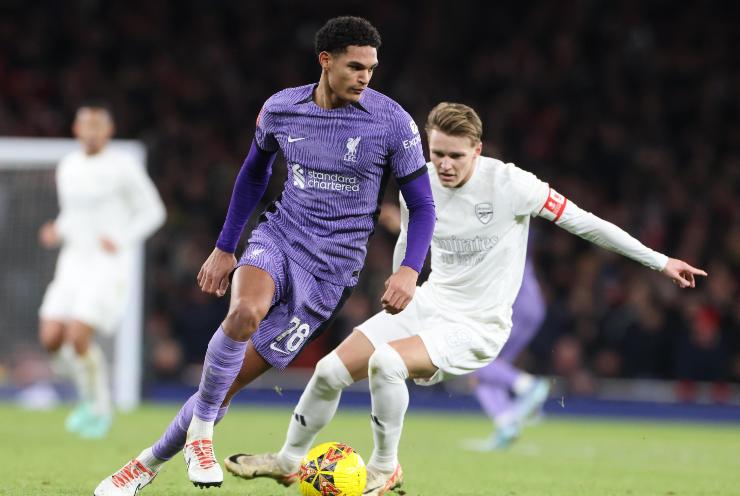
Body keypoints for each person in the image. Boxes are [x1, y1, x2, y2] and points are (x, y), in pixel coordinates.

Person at [224, 102, 707, 496]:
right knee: (329, 369)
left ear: (478, 149)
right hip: (430, 302)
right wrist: (399, 281)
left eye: (456, 155)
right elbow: (409, 239)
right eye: (437, 154)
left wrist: (659, 261)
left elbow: (586, 222)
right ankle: (288, 462)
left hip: (478, 324)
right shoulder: (423, 180)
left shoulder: (512, 184)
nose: (445, 165)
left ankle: (385, 468)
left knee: (386, 364)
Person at [93, 16, 435, 496]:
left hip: (330, 274)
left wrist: (408, 268)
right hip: (278, 237)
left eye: (372, 69)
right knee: (244, 312)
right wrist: (224, 247)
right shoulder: (280, 109)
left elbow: (421, 204)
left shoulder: (392, 122)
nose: (365, 77)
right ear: (326, 60)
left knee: (221, 389)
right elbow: (253, 176)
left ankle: (145, 464)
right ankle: (202, 439)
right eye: (355, 66)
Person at [38, 102, 166, 439]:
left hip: (107, 265)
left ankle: (99, 406)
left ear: (108, 131)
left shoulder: (123, 167)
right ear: (76, 130)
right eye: (86, 126)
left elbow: (154, 211)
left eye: (99, 126)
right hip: (72, 262)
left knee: (78, 336)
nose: (92, 132)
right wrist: (58, 230)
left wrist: (123, 238)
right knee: (51, 337)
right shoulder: (68, 166)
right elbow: (72, 214)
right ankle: (87, 397)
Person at [470, 253, 549, 450]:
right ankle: (506, 425)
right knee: (484, 369)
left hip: (516, 304)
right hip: (528, 303)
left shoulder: (487, 232)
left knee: (477, 360)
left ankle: (528, 386)